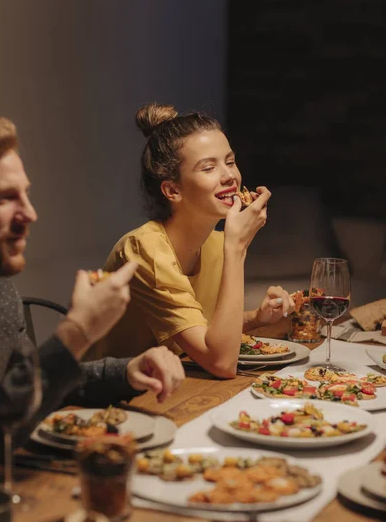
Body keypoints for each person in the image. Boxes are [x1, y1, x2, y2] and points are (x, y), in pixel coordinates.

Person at [0, 111, 184, 469]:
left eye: (25, 195)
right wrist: (77, 333)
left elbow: (27, 392)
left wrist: (125, 372)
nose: (30, 213)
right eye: (4, 198)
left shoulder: (0, 295)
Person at [91, 103, 294, 379]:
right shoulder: (143, 251)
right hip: (111, 399)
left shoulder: (214, 243)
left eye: (230, 162)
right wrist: (237, 248)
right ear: (173, 190)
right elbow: (221, 363)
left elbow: (203, 335)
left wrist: (256, 319)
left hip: (171, 384)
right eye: (209, 167)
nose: (230, 177)